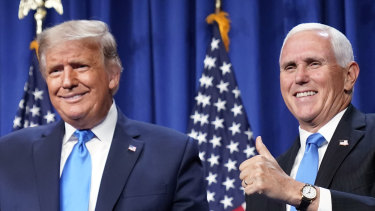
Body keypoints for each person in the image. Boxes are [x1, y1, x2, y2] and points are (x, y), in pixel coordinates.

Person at [0, 20, 208, 211]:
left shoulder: (172, 154)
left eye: (80, 66)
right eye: (55, 71)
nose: (67, 82)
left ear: (113, 76)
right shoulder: (9, 154)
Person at [239, 23, 375, 211]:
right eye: (290, 67)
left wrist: (296, 192)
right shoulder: (266, 182)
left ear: (349, 75)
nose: (300, 77)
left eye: (314, 63)